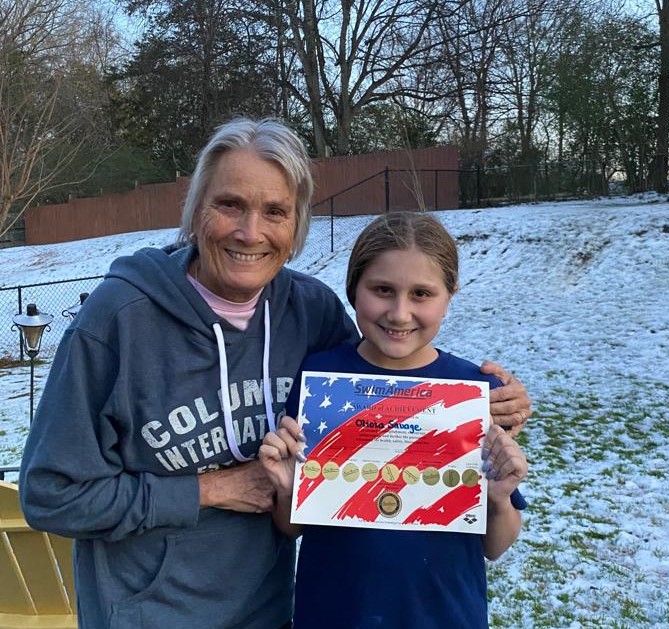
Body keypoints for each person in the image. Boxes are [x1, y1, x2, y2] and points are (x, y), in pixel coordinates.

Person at [19, 118, 531, 629]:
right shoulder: (117, 321)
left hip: (272, 614)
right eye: (230, 204)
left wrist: (496, 403)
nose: (250, 232)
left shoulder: (309, 312)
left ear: (297, 225)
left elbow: (391, 366)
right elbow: (50, 496)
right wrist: (212, 489)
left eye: (275, 212)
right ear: (196, 210)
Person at [260, 211, 529, 629]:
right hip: (334, 614)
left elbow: (494, 546)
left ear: (449, 296)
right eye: (383, 290)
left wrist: (497, 498)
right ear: (354, 289)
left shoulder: (475, 391)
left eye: (422, 294)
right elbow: (292, 526)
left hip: (442, 615)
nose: (400, 314)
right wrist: (286, 489)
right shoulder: (320, 378)